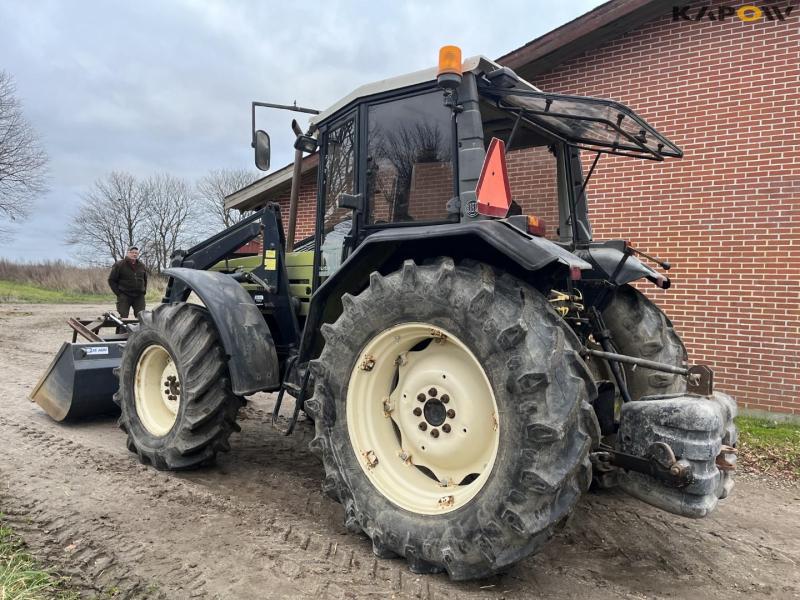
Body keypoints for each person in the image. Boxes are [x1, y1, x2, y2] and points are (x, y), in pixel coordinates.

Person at [108, 245, 148, 318]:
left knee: (142, 317)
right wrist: (119, 293)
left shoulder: (141, 265)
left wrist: (144, 290)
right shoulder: (119, 265)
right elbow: (111, 280)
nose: (134, 254)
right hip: (124, 295)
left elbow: (145, 280)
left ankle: (139, 330)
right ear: (128, 253)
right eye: (132, 252)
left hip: (139, 296)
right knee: (123, 318)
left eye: (136, 253)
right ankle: (122, 330)